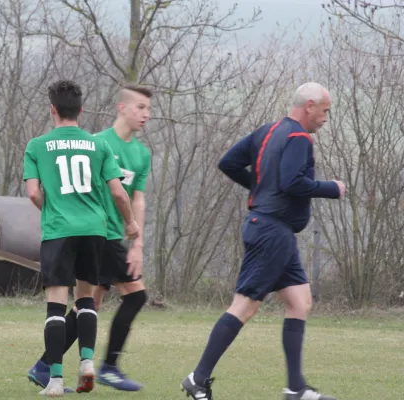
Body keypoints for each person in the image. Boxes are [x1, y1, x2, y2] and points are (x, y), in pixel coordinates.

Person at [180, 82, 345, 400]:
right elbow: (293, 182)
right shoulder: (299, 137)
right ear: (309, 106)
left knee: (299, 302)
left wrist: (259, 188)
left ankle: (295, 388)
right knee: (244, 306)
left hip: (273, 231)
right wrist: (331, 188)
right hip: (272, 233)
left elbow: (228, 163)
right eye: (325, 111)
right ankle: (197, 379)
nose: (326, 118)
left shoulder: (267, 132)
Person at [27, 84, 152, 393]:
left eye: (148, 109)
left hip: (82, 232)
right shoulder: (98, 143)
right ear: (121, 107)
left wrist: (136, 241)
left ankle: (53, 371)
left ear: (53, 109)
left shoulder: (140, 153)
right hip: (99, 233)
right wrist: (128, 227)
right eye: (141, 107)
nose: (146, 114)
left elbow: (135, 198)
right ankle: (94, 365)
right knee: (93, 300)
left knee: (74, 303)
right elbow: (115, 193)